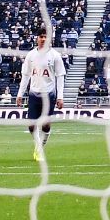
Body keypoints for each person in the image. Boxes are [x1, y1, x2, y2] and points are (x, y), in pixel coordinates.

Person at [19, 29, 66, 163]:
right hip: (34, 94)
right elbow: (26, 76)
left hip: (49, 95)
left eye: (46, 37)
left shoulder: (55, 56)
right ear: (37, 38)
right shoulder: (31, 55)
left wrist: (60, 97)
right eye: (41, 36)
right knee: (31, 125)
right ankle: (38, 149)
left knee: (45, 126)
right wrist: (20, 94)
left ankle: (39, 148)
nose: (43, 39)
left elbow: (60, 76)